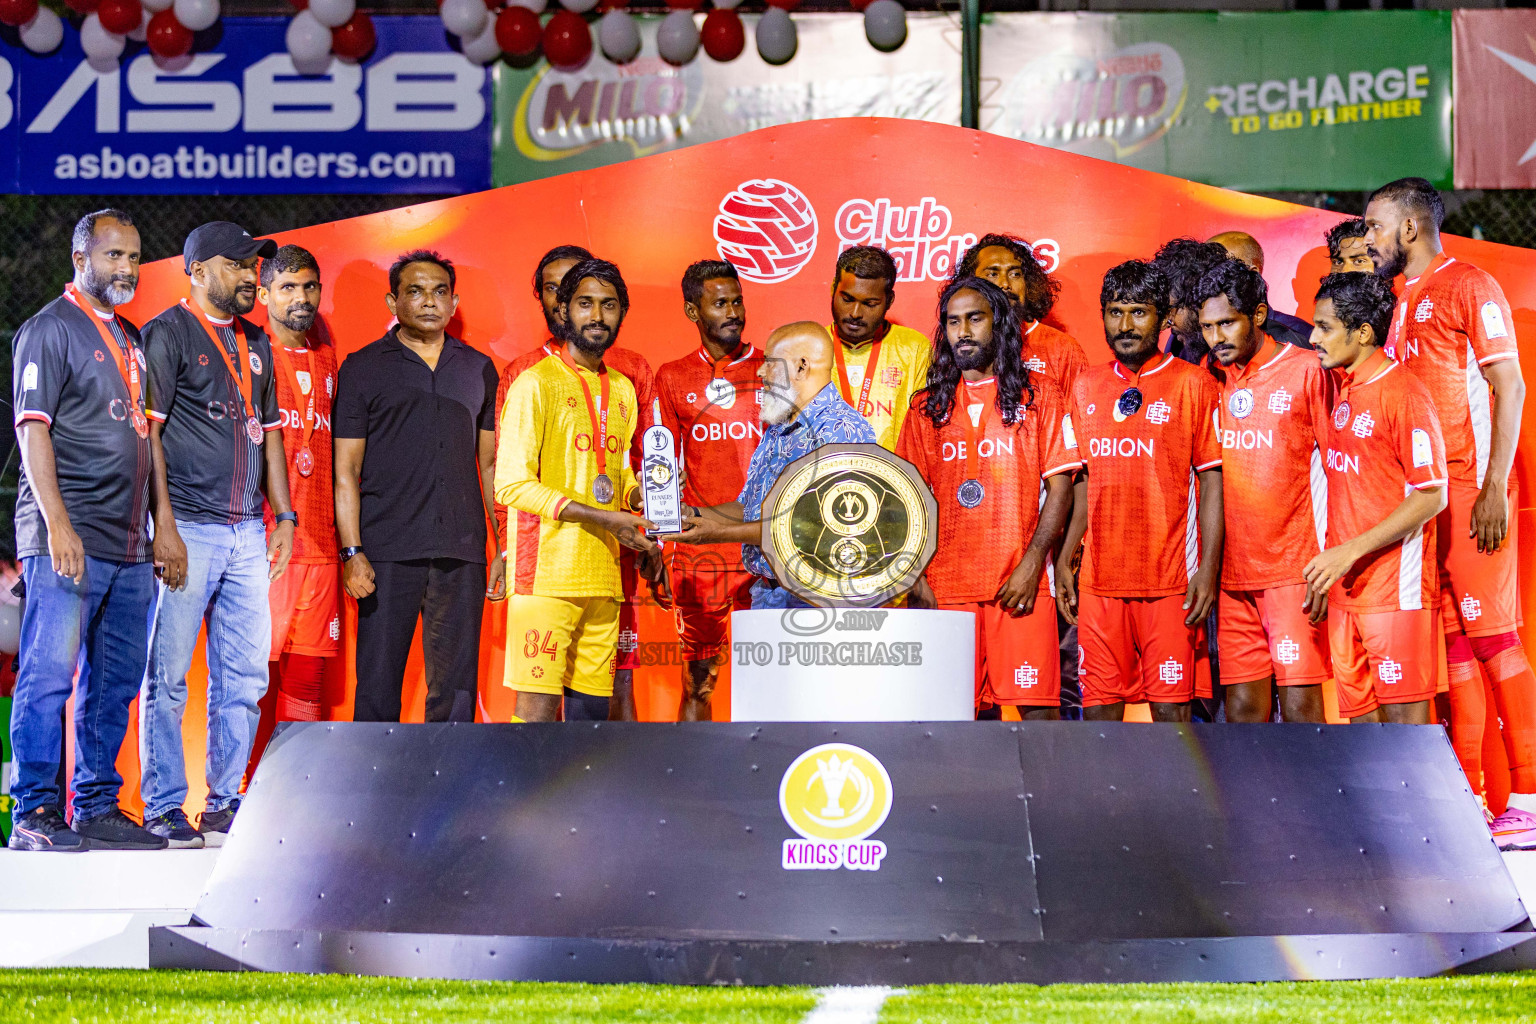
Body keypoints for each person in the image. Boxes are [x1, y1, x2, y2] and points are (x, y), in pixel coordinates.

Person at [1364, 177, 1535, 847]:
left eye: (1375, 226)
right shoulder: (1400, 297)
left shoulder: (1470, 284)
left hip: (1470, 490)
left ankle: (1526, 795)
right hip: (1424, 496)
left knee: (1494, 638)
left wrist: (1494, 486)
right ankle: (1471, 797)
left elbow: (1509, 384)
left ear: (1409, 227)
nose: (1369, 239)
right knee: (1455, 645)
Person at [7, 209, 165, 851]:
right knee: (48, 674)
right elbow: (32, 429)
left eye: (132, 256)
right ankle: (35, 811)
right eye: (113, 256)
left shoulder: (129, 338)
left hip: (129, 542)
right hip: (66, 539)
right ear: (82, 260)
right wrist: (58, 526)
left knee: (116, 680)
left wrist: (162, 530)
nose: (126, 267)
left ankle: (96, 804)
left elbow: (145, 436)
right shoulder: (49, 329)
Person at [140, 221, 292, 849]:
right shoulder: (166, 334)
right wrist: (164, 528)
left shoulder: (257, 341)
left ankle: (225, 801)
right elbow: (147, 435)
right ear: (197, 271)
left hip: (246, 532)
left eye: (252, 264)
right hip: (190, 530)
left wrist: (282, 516)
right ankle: (163, 805)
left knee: (244, 677)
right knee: (169, 677)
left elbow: (271, 431)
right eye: (235, 265)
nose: (249, 276)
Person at [333, 251, 503, 724]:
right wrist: (352, 552)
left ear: (454, 302)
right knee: (377, 688)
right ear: (392, 300)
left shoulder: (478, 369)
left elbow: (489, 464)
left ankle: (449, 793)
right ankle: (373, 794)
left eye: (439, 291)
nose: (429, 301)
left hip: (462, 550)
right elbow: (345, 469)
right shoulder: (363, 367)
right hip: (385, 551)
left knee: (457, 693)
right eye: (415, 291)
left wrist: (502, 546)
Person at [900, 277, 1080, 720]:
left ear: (999, 324)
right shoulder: (926, 409)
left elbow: (1062, 488)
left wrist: (1035, 562)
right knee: (962, 721)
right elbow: (909, 499)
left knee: (1039, 719)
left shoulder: (1040, 397)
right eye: (953, 321)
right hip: (946, 590)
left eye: (975, 319)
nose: (962, 331)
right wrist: (914, 576)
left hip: (1017, 585)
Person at [492, 244, 657, 721]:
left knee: (591, 717)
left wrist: (638, 494)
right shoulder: (535, 383)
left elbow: (616, 471)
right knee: (538, 711)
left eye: (609, 305)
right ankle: (526, 797)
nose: (597, 316)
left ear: (622, 311)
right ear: (563, 310)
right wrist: (605, 515)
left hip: (603, 574)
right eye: (585, 303)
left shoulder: (623, 388)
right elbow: (512, 485)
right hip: (544, 576)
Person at [1056, 261, 1223, 723]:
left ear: (1164, 316)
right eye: (1114, 312)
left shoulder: (1195, 384)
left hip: (1171, 583)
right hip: (1100, 582)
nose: (1125, 325)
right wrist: (1068, 557)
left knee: (1172, 722)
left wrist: (1207, 570)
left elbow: (1211, 482)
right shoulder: (1086, 384)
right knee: (1100, 718)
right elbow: (1085, 480)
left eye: (1138, 312)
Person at [1303, 272, 1446, 728]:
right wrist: (1331, 565)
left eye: (1325, 327)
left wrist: (1350, 551)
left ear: (1362, 332)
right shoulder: (1342, 388)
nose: (1313, 337)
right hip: (1347, 592)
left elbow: (1431, 494)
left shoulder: (1404, 392)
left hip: (1393, 593)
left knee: (1408, 738)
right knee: (1363, 738)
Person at [1194, 259, 1330, 724]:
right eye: (1208, 327)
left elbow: (1338, 468)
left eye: (1227, 324)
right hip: (1231, 578)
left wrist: (1330, 560)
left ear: (1257, 314)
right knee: (1244, 711)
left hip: (1294, 571)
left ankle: (1315, 799)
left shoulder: (1308, 371)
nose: (1217, 338)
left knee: (1300, 709)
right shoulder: (1207, 379)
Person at [667, 322, 877, 609]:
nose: (759, 372)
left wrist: (716, 534)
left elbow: (807, 527)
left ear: (802, 367)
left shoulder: (841, 431)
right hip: (768, 594)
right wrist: (693, 513)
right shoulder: (778, 429)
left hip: (818, 601)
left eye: (769, 363)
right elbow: (748, 507)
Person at [654, 260, 763, 721]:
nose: (733, 311)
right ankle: (691, 782)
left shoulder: (773, 368)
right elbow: (661, 473)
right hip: (702, 554)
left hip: (765, 546)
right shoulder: (673, 376)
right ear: (692, 310)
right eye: (720, 303)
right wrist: (661, 545)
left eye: (737, 300)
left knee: (772, 681)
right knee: (699, 684)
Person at [250, 244, 336, 762]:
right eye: (287, 287)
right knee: (252, 677)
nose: (300, 298)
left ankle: (291, 796)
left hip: (322, 544)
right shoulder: (250, 353)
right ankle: (238, 793)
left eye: (309, 287)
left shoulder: (328, 356)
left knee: (307, 683)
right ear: (263, 295)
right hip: (266, 541)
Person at [826, 246, 930, 450]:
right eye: (847, 299)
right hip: (825, 478)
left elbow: (925, 434)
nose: (855, 313)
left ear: (889, 301)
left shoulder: (914, 348)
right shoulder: (810, 347)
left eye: (870, 303)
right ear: (833, 289)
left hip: (893, 479)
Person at [954, 233, 1087, 391]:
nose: (1005, 284)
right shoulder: (958, 344)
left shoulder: (1062, 349)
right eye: (992, 274)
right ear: (968, 283)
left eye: (1015, 274)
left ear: (1029, 284)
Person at [1209, 230, 1315, 349]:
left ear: (1253, 274)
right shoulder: (1199, 334)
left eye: (1219, 272)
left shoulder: (1300, 337)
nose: (1207, 281)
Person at [1152, 238, 1231, 364]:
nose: (1167, 323)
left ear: (1195, 302)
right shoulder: (1178, 345)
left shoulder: (1264, 345)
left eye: (1170, 311)